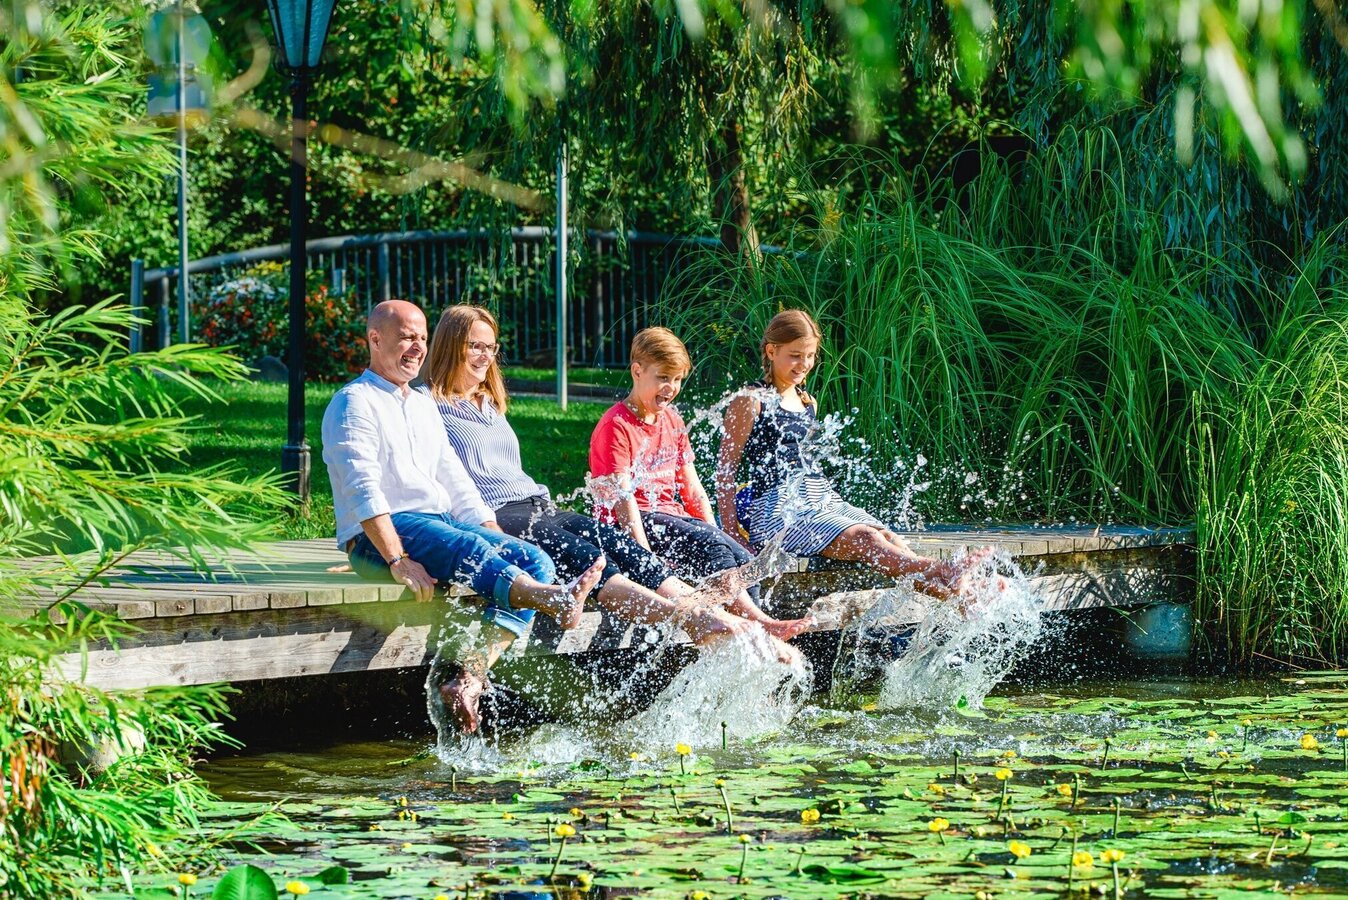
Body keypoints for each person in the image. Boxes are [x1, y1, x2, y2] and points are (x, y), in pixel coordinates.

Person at [420, 305, 811, 653]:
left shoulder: (489, 404)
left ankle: (715, 616)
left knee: (621, 547)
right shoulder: (428, 405)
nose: (485, 356)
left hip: (537, 503)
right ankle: (697, 619)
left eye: (490, 347)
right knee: (589, 559)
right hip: (495, 513)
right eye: (475, 346)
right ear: (451, 346)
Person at [321, 299, 605, 734]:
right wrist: (397, 559)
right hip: (383, 535)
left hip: (439, 523)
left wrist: (496, 535)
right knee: (470, 547)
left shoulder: (420, 404)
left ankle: (468, 678)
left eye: (422, 338)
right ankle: (551, 599)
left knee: (532, 559)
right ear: (375, 340)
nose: (417, 348)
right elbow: (363, 490)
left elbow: (454, 479)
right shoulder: (353, 403)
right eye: (406, 338)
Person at [716, 309, 984, 600]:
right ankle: (946, 569)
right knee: (866, 538)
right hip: (777, 511)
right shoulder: (750, 400)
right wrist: (731, 532)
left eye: (810, 356)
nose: (804, 364)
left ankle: (961, 595)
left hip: (821, 498)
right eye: (795, 355)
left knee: (886, 537)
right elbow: (725, 469)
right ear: (771, 351)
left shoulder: (808, 402)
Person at [588, 327, 766, 599]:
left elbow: (693, 491)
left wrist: (718, 533)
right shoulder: (616, 426)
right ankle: (754, 621)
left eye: (677, 379)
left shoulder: (672, 420)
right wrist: (646, 560)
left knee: (744, 562)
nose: (671, 388)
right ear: (637, 371)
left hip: (669, 518)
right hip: (633, 524)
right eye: (663, 377)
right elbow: (624, 503)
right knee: (712, 548)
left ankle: (736, 621)